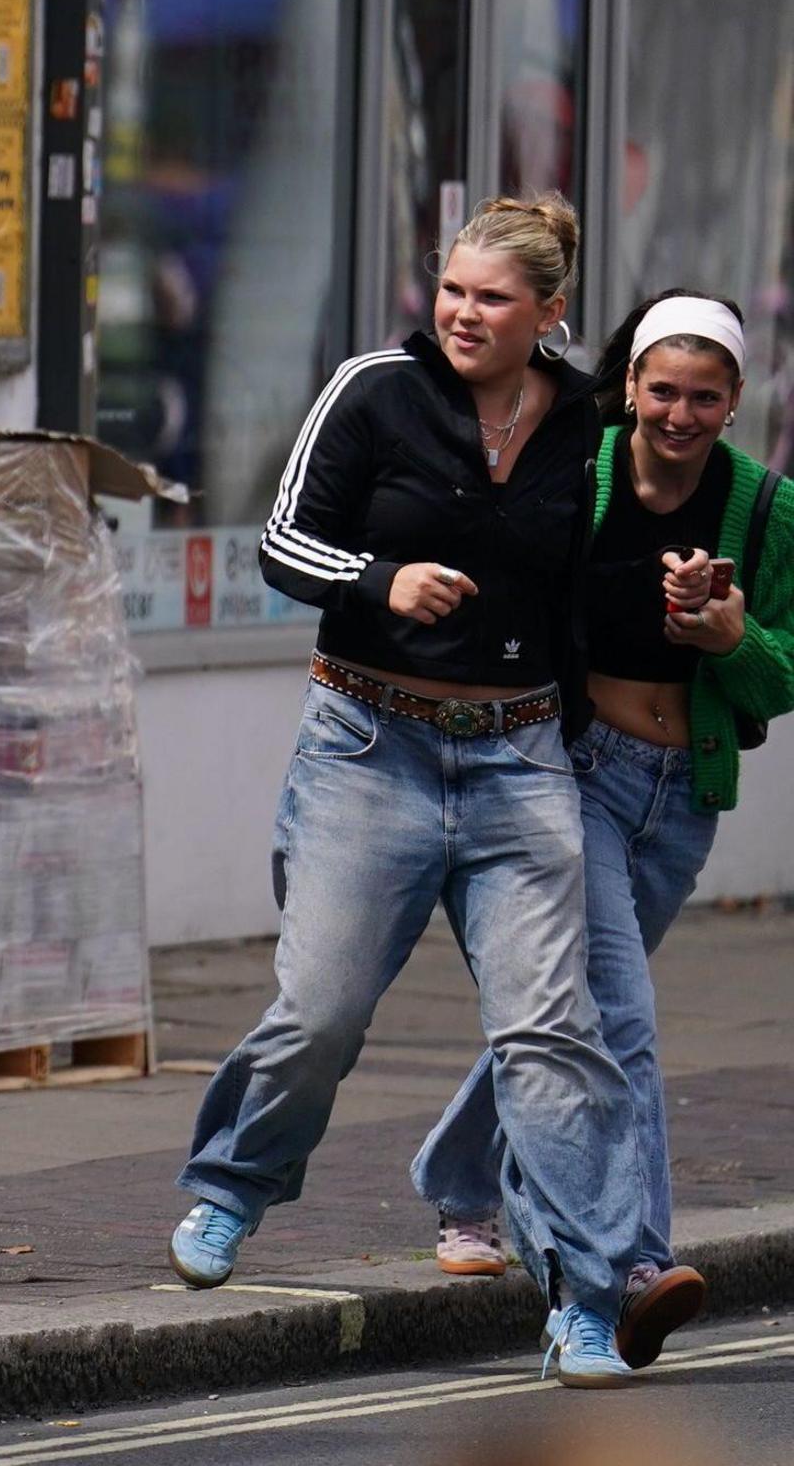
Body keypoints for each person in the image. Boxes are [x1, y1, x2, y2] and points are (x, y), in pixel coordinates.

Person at [173, 195, 650, 1387]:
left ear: (549, 314)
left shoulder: (588, 417)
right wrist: (381, 580)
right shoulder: (375, 388)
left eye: (493, 300)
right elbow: (284, 540)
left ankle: (586, 1304)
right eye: (451, 292)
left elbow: (624, 550)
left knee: (551, 1034)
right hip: (368, 746)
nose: (463, 315)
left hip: (521, 757)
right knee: (321, 1013)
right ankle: (232, 1188)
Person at [408, 289, 787, 1367]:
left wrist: (732, 637)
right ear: (629, 387)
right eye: (662, 391)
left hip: (684, 799)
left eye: (703, 397)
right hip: (573, 780)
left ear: (734, 400)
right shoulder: (580, 472)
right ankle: (622, 1269)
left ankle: (461, 1176)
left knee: (562, 1020)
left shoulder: (766, 509)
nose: (679, 414)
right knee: (618, 1021)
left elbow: (787, 666)